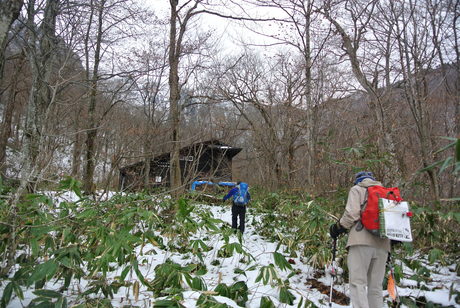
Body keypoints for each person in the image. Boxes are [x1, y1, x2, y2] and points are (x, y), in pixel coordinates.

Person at [329, 171, 390, 308]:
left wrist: (338, 228)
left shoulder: (357, 189)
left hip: (360, 241)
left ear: (358, 180)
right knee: (376, 288)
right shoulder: (386, 193)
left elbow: (351, 214)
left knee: (358, 284)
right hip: (383, 245)